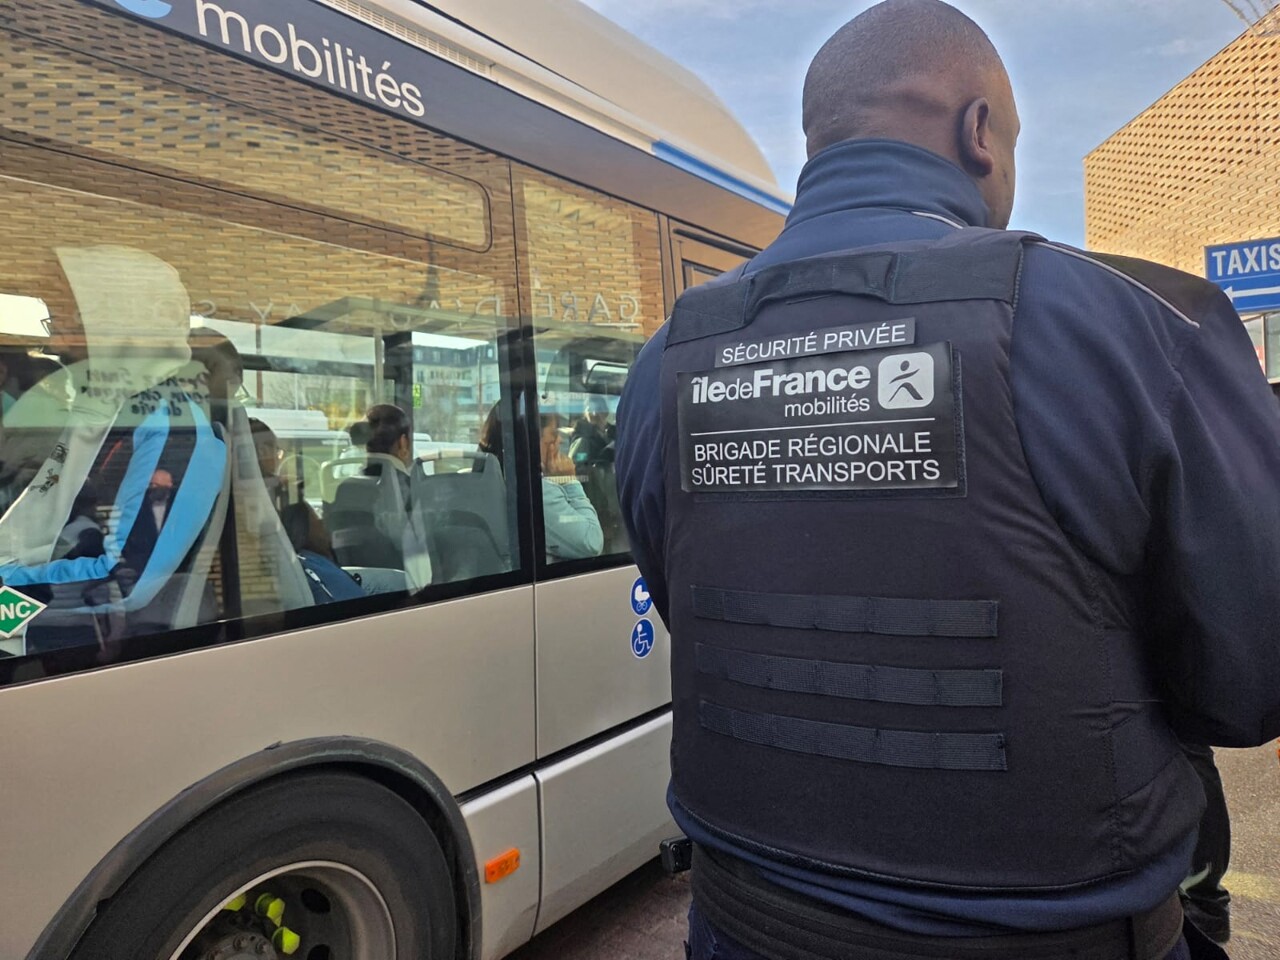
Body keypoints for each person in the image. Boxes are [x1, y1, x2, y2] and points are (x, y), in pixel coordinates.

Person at [615, 3, 1280, 960]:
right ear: (978, 133)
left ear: (819, 143)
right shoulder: (1132, 323)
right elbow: (1249, 685)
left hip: (742, 929)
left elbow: (698, 608)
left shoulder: (664, 364)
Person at [478, 404, 602, 562]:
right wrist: (569, 482)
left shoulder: (489, 481)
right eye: (554, 434)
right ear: (531, 441)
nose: (560, 440)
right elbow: (592, 542)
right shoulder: (536, 492)